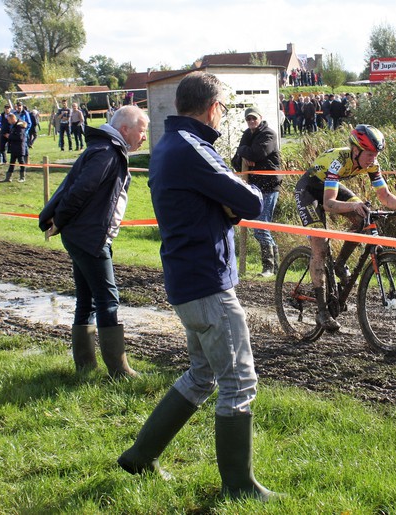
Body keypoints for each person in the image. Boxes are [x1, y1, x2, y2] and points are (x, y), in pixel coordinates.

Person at [119, 71, 278, 502]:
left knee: (202, 374)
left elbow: (222, 202)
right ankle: (239, 486)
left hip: (188, 277)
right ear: (212, 108)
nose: (223, 114)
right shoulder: (194, 148)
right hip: (207, 282)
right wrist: (229, 201)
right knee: (239, 382)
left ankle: (140, 455)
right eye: (223, 107)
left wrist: (222, 202)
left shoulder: (172, 144)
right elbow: (250, 202)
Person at [38, 105, 149, 378]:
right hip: (89, 237)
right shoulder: (108, 153)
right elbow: (79, 191)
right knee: (107, 299)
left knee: (86, 300)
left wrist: (61, 223)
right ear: (125, 129)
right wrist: (59, 221)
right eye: (142, 130)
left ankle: (85, 366)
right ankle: (118, 369)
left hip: (83, 235)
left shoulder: (106, 149)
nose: (144, 137)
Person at [294, 124, 396, 332]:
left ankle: (340, 264)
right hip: (309, 192)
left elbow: (384, 195)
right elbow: (329, 204)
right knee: (320, 246)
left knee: (363, 219)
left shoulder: (372, 164)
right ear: (356, 150)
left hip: (331, 188)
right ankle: (322, 310)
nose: (373, 158)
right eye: (369, 154)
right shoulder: (337, 162)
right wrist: (354, 205)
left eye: (376, 154)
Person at [231, 107, 282, 277]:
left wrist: (246, 153)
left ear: (260, 117)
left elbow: (258, 153)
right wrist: (245, 155)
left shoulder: (269, 134)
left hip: (269, 186)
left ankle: (268, 267)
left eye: (254, 118)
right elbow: (237, 159)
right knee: (260, 227)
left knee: (260, 227)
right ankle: (276, 267)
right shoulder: (248, 134)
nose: (251, 122)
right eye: (248, 119)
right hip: (254, 187)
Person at [1, 114, 28, 182]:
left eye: (9, 120)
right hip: (13, 147)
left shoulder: (20, 126)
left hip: (19, 147)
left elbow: (20, 137)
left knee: (21, 162)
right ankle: (8, 178)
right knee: (12, 163)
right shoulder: (14, 126)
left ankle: (22, 177)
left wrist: (9, 136)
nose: (8, 121)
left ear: (12, 118)